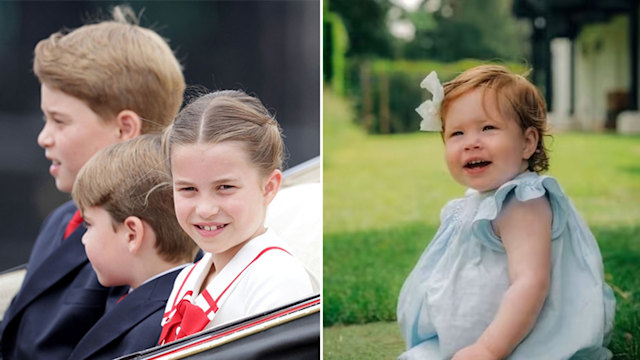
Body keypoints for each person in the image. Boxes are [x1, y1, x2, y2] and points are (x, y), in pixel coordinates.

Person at [0, 6, 185, 359]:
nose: (44, 137)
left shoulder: (146, 244)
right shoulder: (63, 220)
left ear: (125, 129)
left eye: (59, 121)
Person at [397, 65, 615, 359]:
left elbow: (531, 282)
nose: (471, 142)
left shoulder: (523, 202)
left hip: (518, 340)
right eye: (457, 133)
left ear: (527, 143)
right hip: (485, 334)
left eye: (488, 128)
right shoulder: (481, 200)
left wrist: (488, 349)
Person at [158, 90, 314, 344]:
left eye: (225, 188)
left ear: (269, 187)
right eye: (188, 189)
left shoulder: (277, 281)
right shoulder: (188, 278)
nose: (205, 209)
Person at [66, 134, 198, 359]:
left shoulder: (160, 328)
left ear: (132, 234)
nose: (83, 239)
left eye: (88, 224)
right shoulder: (167, 303)